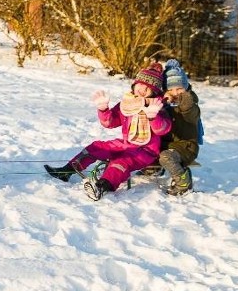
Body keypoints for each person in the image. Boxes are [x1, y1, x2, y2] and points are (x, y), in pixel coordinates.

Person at [44, 62, 172, 201]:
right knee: (96, 147)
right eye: (140, 84)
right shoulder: (128, 104)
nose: (143, 89)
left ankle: (102, 186)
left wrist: (154, 117)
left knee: (121, 161)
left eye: (148, 87)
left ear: (154, 91)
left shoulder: (157, 106)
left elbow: (162, 130)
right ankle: (66, 171)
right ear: (134, 85)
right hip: (125, 144)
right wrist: (103, 109)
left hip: (145, 151)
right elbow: (110, 123)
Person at [159, 59, 203, 196]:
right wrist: (163, 103)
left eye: (179, 88)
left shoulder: (190, 105)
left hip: (186, 146)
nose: (175, 93)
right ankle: (151, 169)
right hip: (165, 143)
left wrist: (186, 101)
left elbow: (189, 112)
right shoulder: (164, 103)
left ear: (186, 88)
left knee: (166, 157)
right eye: (170, 89)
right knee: (146, 150)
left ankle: (183, 182)